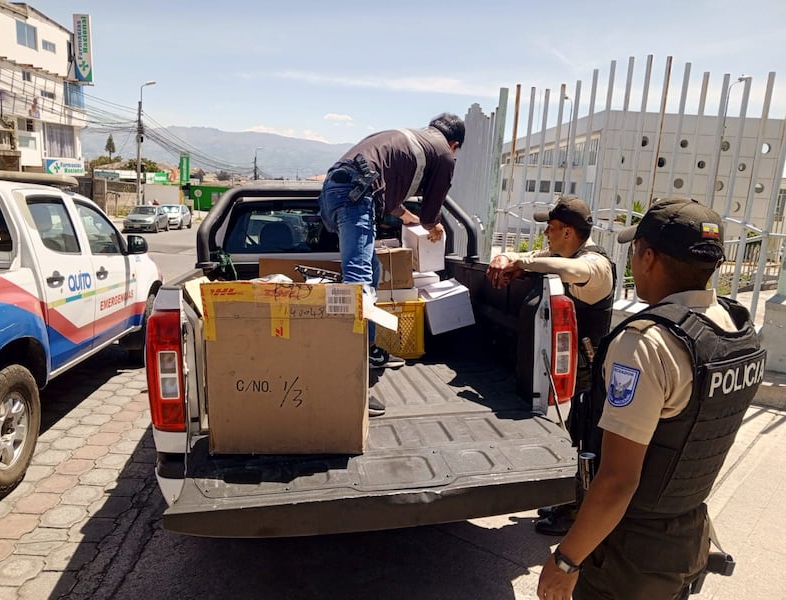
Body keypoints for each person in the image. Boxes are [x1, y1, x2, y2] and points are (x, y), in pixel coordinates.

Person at [536, 197, 765, 600]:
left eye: (636, 250)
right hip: (688, 534)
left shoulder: (645, 345)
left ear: (649, 257)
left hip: (632, 553)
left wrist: (566, 561)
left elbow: (618, 480)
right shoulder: (735, 329)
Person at [318, 113, 466, 417]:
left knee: (369, 272)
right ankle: (351, 384)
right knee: (360, 286)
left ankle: (370, 352)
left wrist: (405, 217)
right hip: (356, 196)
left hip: (334, 192)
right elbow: (430, 214)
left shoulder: (406, 141)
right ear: (455, 144)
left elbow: (382, 187)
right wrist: (432, 225)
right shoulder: (444, 154)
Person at [487, 196, 616, 535]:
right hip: (575, 365)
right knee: (572, 432)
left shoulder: (594, 264)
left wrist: (526, 264)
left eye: (551, 227)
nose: (545, 233)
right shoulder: (561, 254)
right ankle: (568, 500)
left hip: (593, 368)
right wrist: (509, 259)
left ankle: (577, 511)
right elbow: (533, 257)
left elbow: (575, 272)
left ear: (569, 232)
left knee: (586, 437)